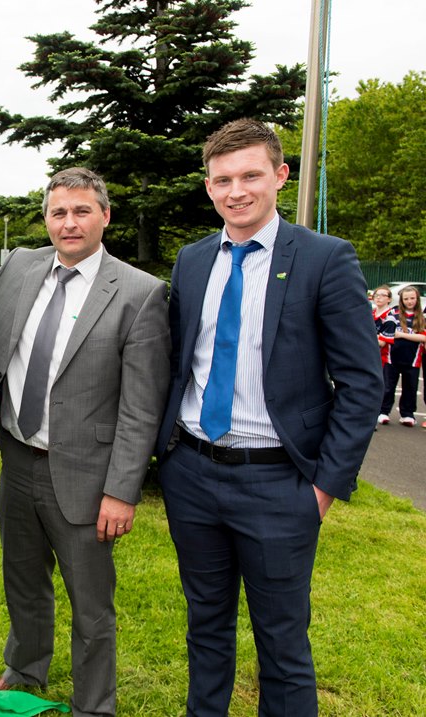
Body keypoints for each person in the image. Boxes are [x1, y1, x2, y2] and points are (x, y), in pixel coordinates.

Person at [0, 167, 171, 715]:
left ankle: (94, 705)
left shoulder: (140, 293)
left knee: (91, 604)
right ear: (45, 218)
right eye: (57, 212)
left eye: (81, 211)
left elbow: (142, 406)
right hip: (17, 459)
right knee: (24, 580)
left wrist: (123, 490)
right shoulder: (20, 267)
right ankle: (26, 669)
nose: (68, 223)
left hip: (87, 475)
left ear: (105, 215)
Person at [155, 119, 382, 716]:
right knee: (205, 629)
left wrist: (324, 488)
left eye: (250, 175)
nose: (237, 191)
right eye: (223, 179)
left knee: (282, 645)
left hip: (281, 483)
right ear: (208, 186)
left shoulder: (325, 259)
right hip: (194, 475)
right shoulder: (192, 260)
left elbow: (362, 384)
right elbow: (179, 361)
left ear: (280, 176)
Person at [378, 286, 426, 426]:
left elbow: (423, 338)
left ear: (417, 299)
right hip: (392, 358)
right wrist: (413, 336)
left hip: (413, 360)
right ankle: (383, 412)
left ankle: (407, 414)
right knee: (388, 387)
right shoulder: (394, 314)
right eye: (406, 299)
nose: (409, 301)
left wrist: (402, 335)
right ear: (401, 300)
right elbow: (388, 334)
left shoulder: (421, 317)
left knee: (410, 387)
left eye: (412, 298)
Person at [371, 285, 393, 370]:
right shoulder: (370, 314)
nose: (379, 297)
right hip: (369, 355)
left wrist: (364, 335)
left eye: (383, 295)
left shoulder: (391, 316)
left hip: (384, 358)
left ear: (389, 299)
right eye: (376, 295)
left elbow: (382, 342)